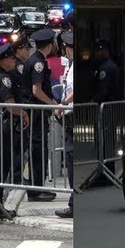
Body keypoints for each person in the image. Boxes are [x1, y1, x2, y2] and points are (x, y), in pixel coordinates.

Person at [0, 43, 26, 221]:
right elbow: (9, 104)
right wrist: (23, 113)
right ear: (3, 61)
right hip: (2, 126)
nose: (13, 61)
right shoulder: (3, 79)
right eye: (11, 58)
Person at [19, 28, 60, 201]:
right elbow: (37, 90)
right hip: (36, 112)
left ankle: (37, 187)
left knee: (38, 148)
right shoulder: (38, 63)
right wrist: (52, 104)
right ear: (50, 45)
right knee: (38, 149)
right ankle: (36, 190)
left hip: (35, 111)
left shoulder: (34, 59)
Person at [56, 46, 74, 219]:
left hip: (73, 115)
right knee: (70, 158)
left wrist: (63, 104)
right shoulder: (71, 66)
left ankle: (74, 203)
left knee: (71, 158)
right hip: (70, 116)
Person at [91, 39, 121, 104]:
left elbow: (103, 89)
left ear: (106, 51)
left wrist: (94, 101)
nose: (97, 53)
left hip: (106, 104)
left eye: (100, 51)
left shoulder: (106, 68)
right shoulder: (109, 65)